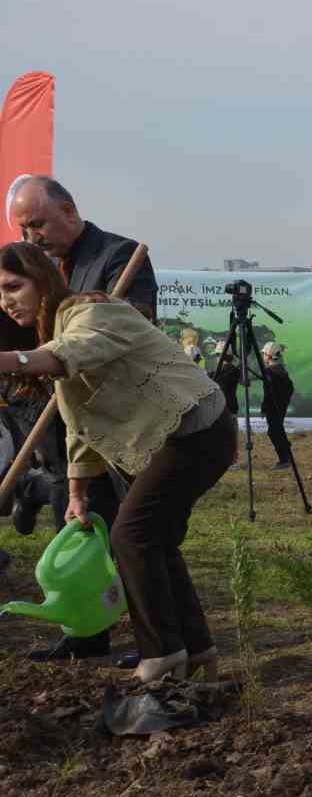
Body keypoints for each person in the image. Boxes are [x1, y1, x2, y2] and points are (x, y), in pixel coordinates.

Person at [0, 242, 232, 684]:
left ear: (42, 281)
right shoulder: (57, 329)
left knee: (132, 536)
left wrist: (11, 361)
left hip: (197, 428)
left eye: (13, 286)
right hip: (178, 436)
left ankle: (162, 655)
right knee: (154, 540)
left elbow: (67, 354)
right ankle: (197, 651)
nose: (6, 301)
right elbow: (77, 421)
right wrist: (76, 492)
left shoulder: (92, 314)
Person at [8, 175, 156, 663]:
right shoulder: (33, 266)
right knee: (69, 516)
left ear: (68, 210)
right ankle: (85, 630)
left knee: (126, 530)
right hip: (51, 414)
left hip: (110, 417)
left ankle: (152, 635)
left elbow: (136, 320)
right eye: (24, 230)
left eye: (38, 224)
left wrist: (77, 341)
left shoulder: (118, 255)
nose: (33, 238)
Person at [260, 341, 295, 469]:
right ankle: (288, 456)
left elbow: (267, 394)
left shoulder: (269, 372)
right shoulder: (282, 370)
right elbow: (290, 388)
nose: (263, 357)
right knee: (278, 430)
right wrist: (284, 401)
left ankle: (284, 459)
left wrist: (264, 408)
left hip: (273, 408)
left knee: (274, 432)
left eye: (264, 354)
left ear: (269, 356)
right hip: (281, 406)